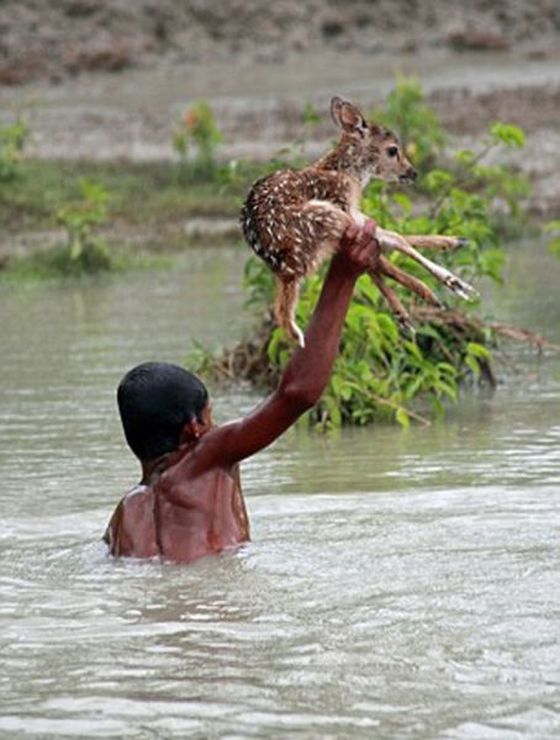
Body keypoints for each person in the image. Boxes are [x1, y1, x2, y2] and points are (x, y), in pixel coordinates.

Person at [104, 220, 380, 563]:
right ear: (194, 429)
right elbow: (298, 393)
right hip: (215, 605)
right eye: (210, 416)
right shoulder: (206, 456)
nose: (214, 425)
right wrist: (342, 277)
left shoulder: (123, 516)